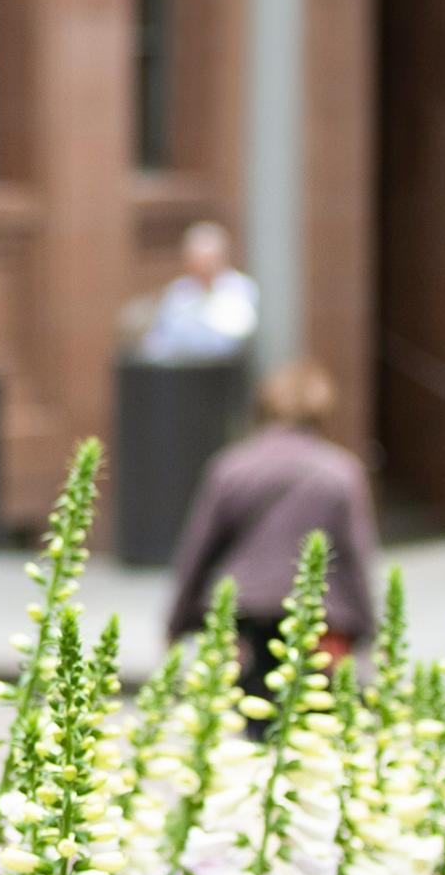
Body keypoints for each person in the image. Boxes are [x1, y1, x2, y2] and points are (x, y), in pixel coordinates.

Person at [162, 358, 382, 703]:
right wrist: (369, 628)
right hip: (321, 617)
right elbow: (356, 553)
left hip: (242, 612)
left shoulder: (232, 466)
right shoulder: (342, 471)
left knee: (250, 718)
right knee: (310, 720)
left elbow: (199, 549)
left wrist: (176, 623)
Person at [142, 221, 259, 363]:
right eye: (196, 260)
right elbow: (161, 337)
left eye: (208, 260)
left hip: (223, 373)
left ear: (222, 258)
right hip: (181, 371)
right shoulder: (179, 290)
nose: (202, 266)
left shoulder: (239, 288)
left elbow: (226, 344)